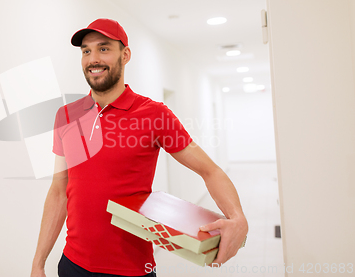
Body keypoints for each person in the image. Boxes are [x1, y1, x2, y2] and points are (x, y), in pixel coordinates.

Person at [30, 18, 248, 277]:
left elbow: (210, 171)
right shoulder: (67, 116)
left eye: (104, 48)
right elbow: (58, 192)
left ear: (125, 54)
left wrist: (237, 218)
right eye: (86, 51)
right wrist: (38, 263)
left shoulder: (154, 114)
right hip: (72, 265)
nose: (93, 59)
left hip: (132, 270)